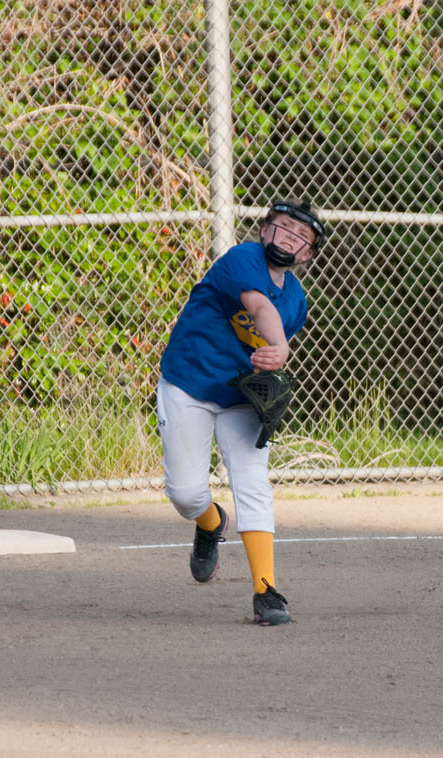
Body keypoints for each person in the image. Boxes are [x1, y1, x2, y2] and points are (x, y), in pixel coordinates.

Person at [157, 200, 326, 626]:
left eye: (301, 236)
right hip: (189, 383)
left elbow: (270, 337)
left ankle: (265, 590)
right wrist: (283, 349)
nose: (289, 237)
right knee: (184, 493)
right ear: (265, 230)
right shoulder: (242, 258)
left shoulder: (298, 302)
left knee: (252, 484)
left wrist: (271, 371)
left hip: (238, 397)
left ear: (307, 255)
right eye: (283, 226)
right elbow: (259, 309)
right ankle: (211, 523)